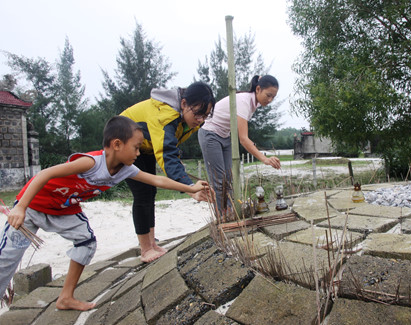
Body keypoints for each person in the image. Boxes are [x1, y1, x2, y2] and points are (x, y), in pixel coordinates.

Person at [0, 116, 210, 311]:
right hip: (31, 206)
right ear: (117, 144)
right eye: (136, 148)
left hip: (63, 210)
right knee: (6, 262)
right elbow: (45, 174)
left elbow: (157, 180)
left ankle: (65, 297)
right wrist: (20, 207)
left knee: (86, 241)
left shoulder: (126, 169)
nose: (138, 154)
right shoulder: (91, 163)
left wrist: (191, 188)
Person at [120, 82, 216, 263]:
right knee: (142, 193)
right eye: (197, 114)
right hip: (125, 144)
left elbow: (171, 149)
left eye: (205, 115)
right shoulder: (165, 115)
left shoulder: (187, 119)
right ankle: (145, 248)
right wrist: (190, 188)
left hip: (144, 147)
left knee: (151, 192)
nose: (200, 120)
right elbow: (167, 154)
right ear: (183, 104)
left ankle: (152, 243)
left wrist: (187, 183)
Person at [198, 75, 281, 214]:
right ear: (258, 89)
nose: (270, 100)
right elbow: (243, 139)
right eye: (268, 95)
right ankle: (222, 217)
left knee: (229, 179)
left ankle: (231, 213)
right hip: (210, 134)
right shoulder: (244, 101)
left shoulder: (253, 103)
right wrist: (265, 159)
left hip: (225, 136)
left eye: (273, 97)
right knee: (219, 182)